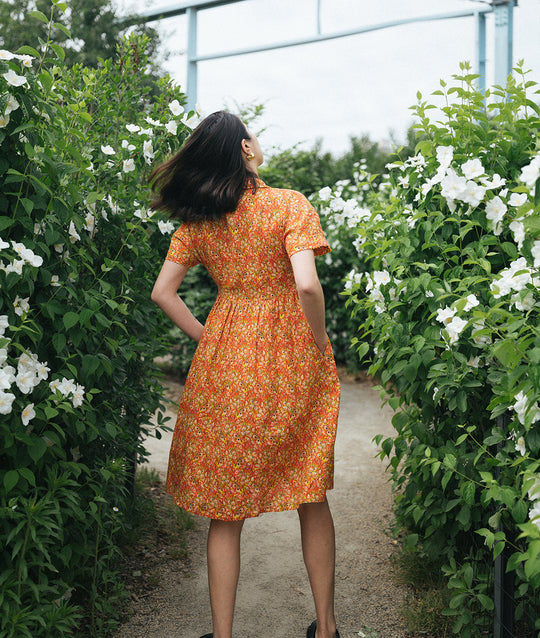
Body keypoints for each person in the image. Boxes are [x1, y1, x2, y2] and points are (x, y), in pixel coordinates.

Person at [150, 110, 341, 638]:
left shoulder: (199, 222)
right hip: (292, 352)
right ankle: (326, 629)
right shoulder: (289, 205)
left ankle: (224, 634)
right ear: (244, 150)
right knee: (310, 491)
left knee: (224, 507)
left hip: (227, 355)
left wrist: (209, 337)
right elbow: (307, 286)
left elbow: (163, 293)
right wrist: (320, 340)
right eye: (253, 137)